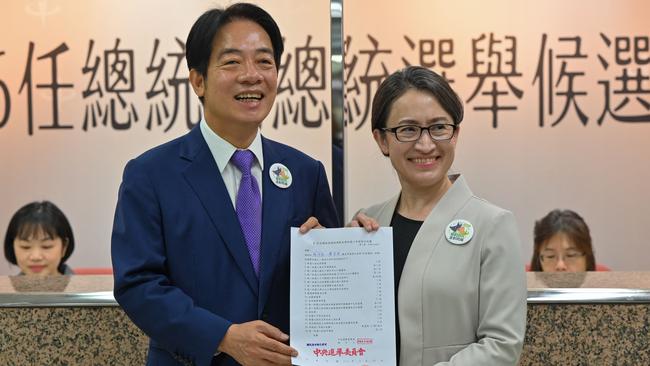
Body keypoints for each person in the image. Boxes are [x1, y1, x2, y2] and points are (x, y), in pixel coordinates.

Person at [110, 3, 339, 366]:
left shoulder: (305, 172)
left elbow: (330, 287)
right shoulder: (151, 175)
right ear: (198, 80)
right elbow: (138, 283)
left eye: (264, 62)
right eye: (232, 62)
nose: (251, 75)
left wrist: (344, 247)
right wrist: (222, 337)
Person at [350, 66, 526, 365]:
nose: (426, 144)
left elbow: (502, 345)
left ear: (455, 133)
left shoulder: (492, 225)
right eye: (408, 129)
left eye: (439, 127)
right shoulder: (367, 222)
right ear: (382, 140)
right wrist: (322, 248)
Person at [4, 201, 75, 276]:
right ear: (12, 247)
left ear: (64, 247)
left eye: (46, 246)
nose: (36, 257)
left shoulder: (83, 287)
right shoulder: (5, 287)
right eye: (25, 247)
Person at [530, 209, 596, 272]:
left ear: (587, 259)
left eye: (571, 255)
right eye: (550, 256)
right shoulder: (523, 282)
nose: (560, 266)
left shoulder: (602, 282)